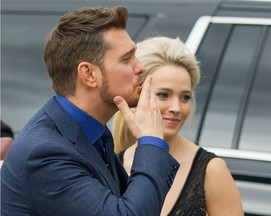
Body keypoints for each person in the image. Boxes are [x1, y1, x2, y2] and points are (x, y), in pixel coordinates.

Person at [1, 7, 180, 216]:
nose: (140, 66)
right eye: (126, 58)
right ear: (89, 74)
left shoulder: (90, 132)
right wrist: (151, 141)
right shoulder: (44, 153)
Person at [113, 36, 244, 216]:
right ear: (138, 95)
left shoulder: (211, 170)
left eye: (185, 97)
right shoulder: (113, 165)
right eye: (163, 95)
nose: (176, 108)